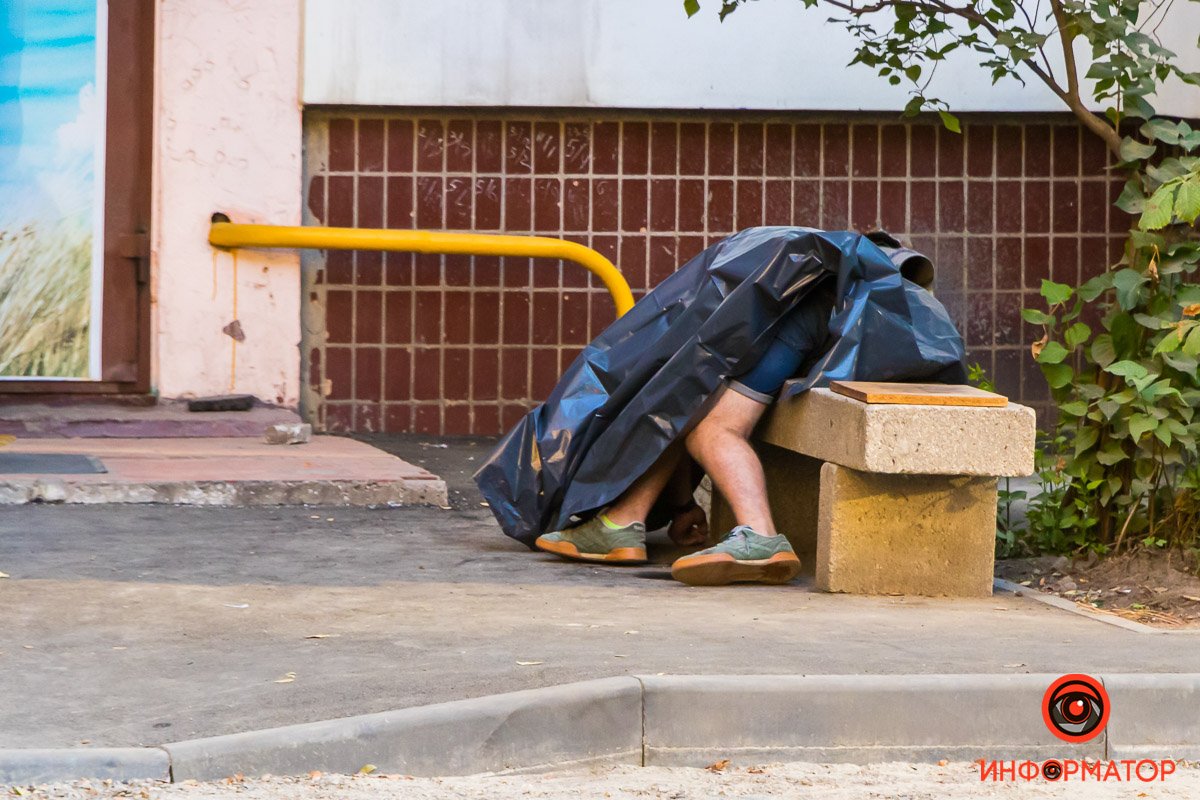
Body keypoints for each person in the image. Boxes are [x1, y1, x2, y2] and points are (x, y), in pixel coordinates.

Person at [534, 283, 836, 587]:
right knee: (689, 400)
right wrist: (682, 505)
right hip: (851, 323)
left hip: (812, 315)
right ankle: (623, 521)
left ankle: (759, 534)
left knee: (714, 428)